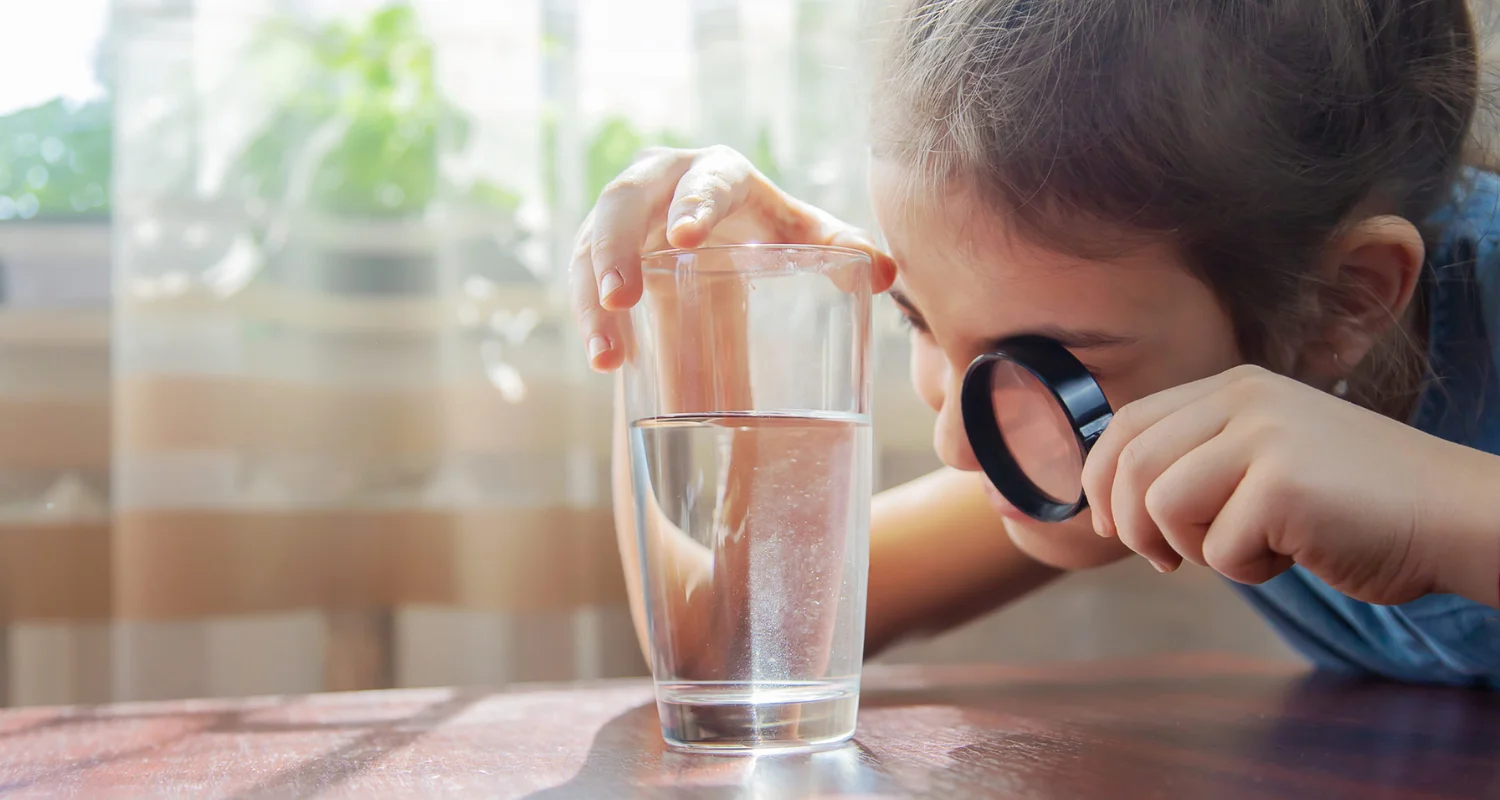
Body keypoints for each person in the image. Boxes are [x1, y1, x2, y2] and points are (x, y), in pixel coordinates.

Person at [569, 0, 1500, 686]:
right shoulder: (1090, 423)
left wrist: (1439, 512)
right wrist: (670, 303)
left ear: (1343, 303)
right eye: (918, 320)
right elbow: (731, 637)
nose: (955, 445)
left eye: (1051, 363)